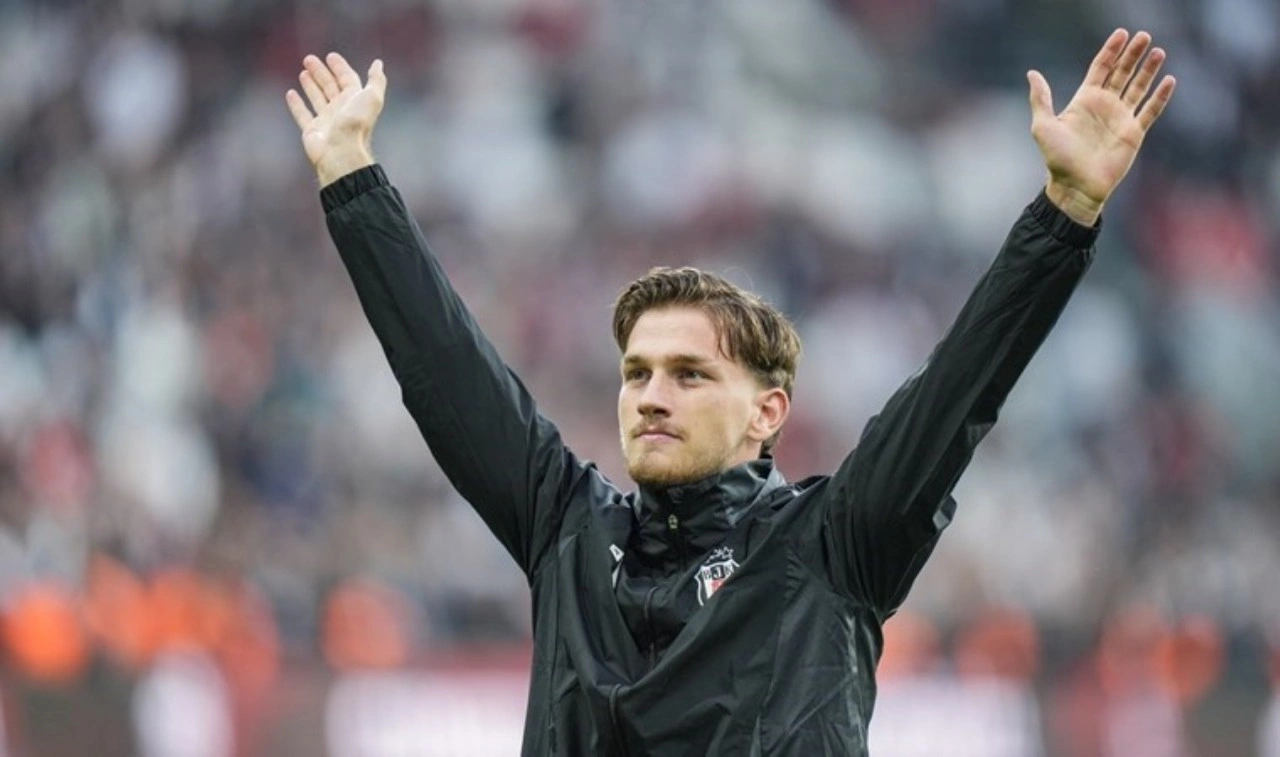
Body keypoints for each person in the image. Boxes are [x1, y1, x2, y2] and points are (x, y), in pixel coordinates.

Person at [285, 28, 1176, 756]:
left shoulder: (832, 547)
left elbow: (958, 390)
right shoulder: (567, 531)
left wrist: (1063, 212)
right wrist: (354, 182)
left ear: (767, 412)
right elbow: (446, 372)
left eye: (689, 373)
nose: (650, 394)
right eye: (637, 372)